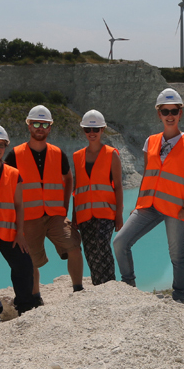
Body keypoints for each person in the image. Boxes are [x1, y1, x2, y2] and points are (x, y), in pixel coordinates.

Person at [113, 88, 184, 302]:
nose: (170, 116)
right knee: (120, 242)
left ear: (181, 113)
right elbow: (148, 176)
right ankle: (129, 288)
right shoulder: (150, 142)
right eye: (165, 111)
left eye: (174, 111)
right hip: (148, 205)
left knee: (177, 256)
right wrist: (138, 204)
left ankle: (178, 298)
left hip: (177, 208)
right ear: (158, 114)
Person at [3, 105, 84, 297]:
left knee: (73, 245)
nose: (40, 127)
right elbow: (5, 184)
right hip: (29, 218)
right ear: (29, 126)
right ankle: (35, 297)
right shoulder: (15, 155)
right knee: (30, 259)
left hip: (55, 215)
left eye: (45, 124)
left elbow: (69, 178)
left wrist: (64, 208)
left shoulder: (58, 153)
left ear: (50, 128)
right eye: (36, 123)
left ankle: (78, 289)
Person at [0, 124, 39, 314]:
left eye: (1, 145)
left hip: (8, 233)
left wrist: (20, 234)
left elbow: (19, 206)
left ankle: (25, 306)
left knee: (24, 265)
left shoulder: (13, 174)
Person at [72, 110, 124, 285]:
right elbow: (77, 189)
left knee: (102, 245)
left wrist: (119, 215)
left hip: (106, 213)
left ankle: (110, 284)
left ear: (102, 130)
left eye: (95, 129)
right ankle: (98, 285)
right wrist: (74, 217)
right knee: (90, 250)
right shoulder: (77, 156)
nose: (91, 133)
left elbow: (118, 187)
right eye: (88, 129)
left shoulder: (112, 154)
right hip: (84, 214)